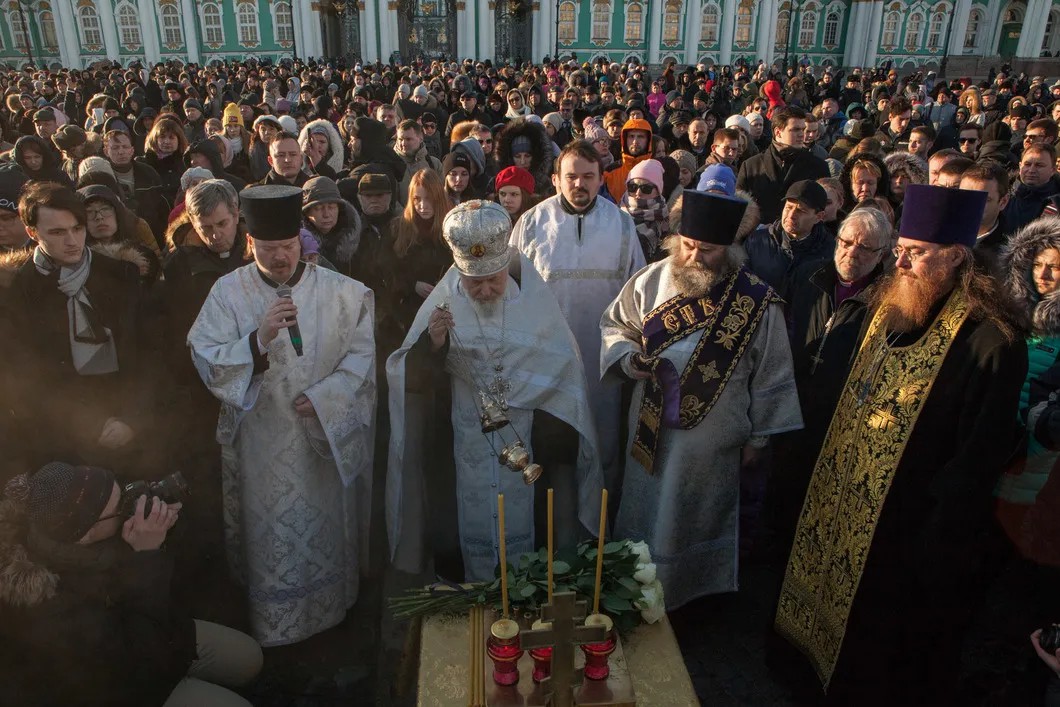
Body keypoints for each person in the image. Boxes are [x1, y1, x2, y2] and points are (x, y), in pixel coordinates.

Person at [774, 184, 1028, 704]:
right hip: (840, 496)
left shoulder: (993, 342)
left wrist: (935, 526)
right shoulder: (889, 305)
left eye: (916, 252)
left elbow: (979, 452)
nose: (902, 261)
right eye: (900, 249)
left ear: (957, 257)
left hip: (909, 524)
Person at [187, 184, 376, 646]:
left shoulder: (344, 295)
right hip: (263, 443)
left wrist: (330, 396)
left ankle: (332, 615)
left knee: (324, 529)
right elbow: (204, 353)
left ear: (301, 240)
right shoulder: (227, 293)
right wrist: (256, 340)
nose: (279, 259)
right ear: (250, 243)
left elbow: (362, 357)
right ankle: (276, 631)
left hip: (319, 440)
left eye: (288, 248)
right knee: (272, 537)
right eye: (268, 250)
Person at [600, 189, 802, 609]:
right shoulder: (651, 278)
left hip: (712, 440)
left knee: (694, 516)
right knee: (645, 510)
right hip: (650, 428)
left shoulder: (756, 302)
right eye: (687, 246)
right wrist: (627, 359)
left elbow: (771, 373)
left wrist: (758, 440)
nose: (694, 257)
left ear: (729, 250)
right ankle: (633, 589)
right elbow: (615, 326)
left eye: (707, 250)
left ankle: (692, 597)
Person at [386, 200, 604, 581]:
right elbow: (408, 373)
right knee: (460, 538)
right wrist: (433, 346)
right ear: (459, 273)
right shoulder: (444, 303)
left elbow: (565, 373)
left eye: (494, 280)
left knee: (530, 550)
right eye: (475, 283)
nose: (485, 290)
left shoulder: (535, 306)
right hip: (459, 446)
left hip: (530, 442)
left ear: (507, 266)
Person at [0, 462, 262, 706]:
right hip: (122, 682)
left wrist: (164, 533)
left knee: (250, 659)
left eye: (123, 491)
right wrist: (147, 556)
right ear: (86, 534)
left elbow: (176, 587)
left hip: (151, 631)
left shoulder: (82, 532)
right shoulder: (50, 603)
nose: (132, 505)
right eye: (120, 507)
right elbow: (142, 663)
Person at [510, 140, 645, 493]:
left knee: (602, 445)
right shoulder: (532, 223)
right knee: (553, 449)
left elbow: (637, 297)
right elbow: (511, 291)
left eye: (588, 176)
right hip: (546, 360)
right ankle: (552, 530)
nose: (579, 184)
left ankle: (599, 534)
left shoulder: (621, 225)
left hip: (602, 363)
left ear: (602, 179)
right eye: (571, 176)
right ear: (556, 179)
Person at [8, 182, 152, 475]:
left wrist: (132, 418)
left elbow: (147, 352)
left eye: (77, 228)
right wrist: (90, 423)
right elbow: (26, 378)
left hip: (132, 428)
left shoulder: (120, 275)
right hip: (63, 442)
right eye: (57, 232)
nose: (72, 240)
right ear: (32, 233)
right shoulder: (19, 293)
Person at [737, 106, 829, 224]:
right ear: (778, 132)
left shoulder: (818, 166)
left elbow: (823, 209)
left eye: (803, 129)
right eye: (796, 130)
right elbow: (740, 209)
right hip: (759, 237)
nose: (802, 134)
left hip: (801, 237)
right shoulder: (751, 166)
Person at [744, 179, 834, 295]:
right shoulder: (756, 242)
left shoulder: (829, 252)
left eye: (800, 211)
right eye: (788, 207)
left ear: (819, 217)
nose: (791, 215)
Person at [602, 117, 655, 202]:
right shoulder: (610, 172)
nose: (635, 141)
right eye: (631, 136)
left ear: (648, 140)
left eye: (640, 136)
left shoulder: (657, 170)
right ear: (624, 139)